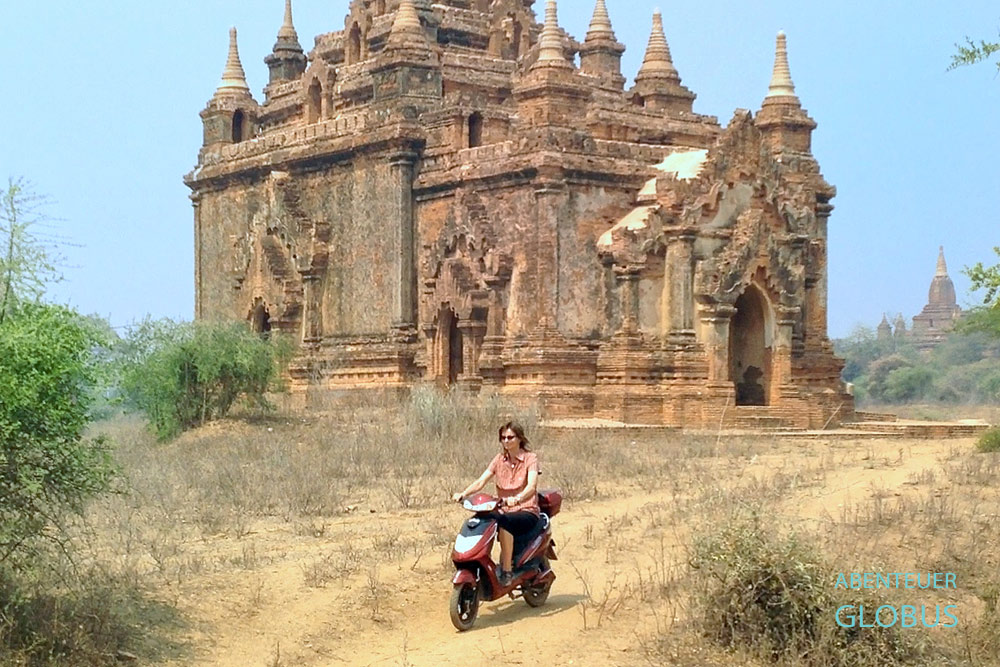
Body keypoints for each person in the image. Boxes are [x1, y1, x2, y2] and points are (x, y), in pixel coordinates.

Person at [452, 421, 540, 587]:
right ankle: (478, 560)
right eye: (503, 438)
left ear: (519, 438)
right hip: (503, 509)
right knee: (479, 520)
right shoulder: (499, 459)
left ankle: (506, 570)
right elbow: (481, 481)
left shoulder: (530, 458)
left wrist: (518, 498)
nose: (506, 441)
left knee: (504, 523)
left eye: (510, 437)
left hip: (526, 510)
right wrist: (463, 494)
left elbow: (531, 486)